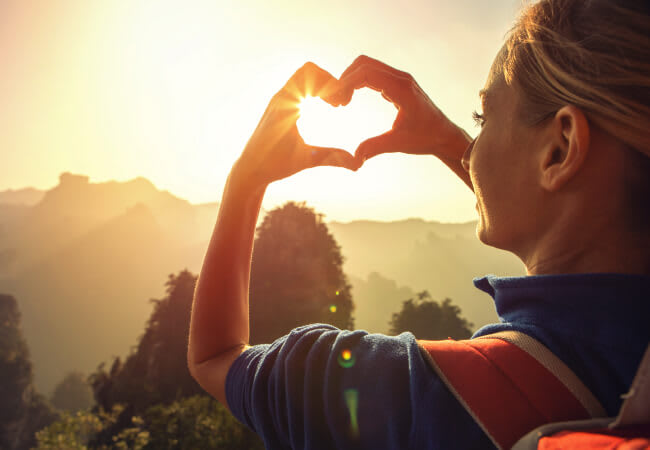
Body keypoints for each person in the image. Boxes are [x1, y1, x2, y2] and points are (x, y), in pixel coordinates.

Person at [187, 0, 650, 448]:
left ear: (560, 148)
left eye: (483, 117)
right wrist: (449, 141)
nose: (474, 139)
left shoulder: (399, 393)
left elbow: (214, 357)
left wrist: (245, 181)